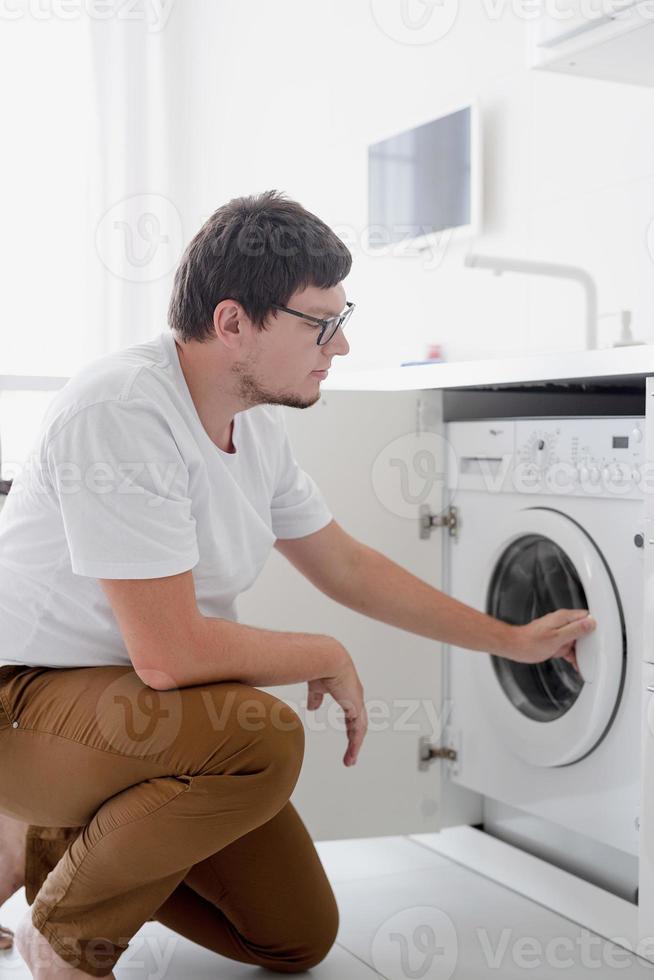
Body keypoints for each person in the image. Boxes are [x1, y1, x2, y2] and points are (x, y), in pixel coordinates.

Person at [0, 190, 596, 978]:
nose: (340, 345)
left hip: (132, 719)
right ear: (233, 322)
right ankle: (68, 936)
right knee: (262, 738)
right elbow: (169, 654)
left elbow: (346, 566)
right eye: (321, 323)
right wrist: (321, 651)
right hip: (28, 702)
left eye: (342, 319)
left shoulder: (258, 428)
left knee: (293, 936)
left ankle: (51, 843)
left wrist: (512, 640)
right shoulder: (120, 410)